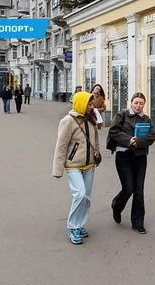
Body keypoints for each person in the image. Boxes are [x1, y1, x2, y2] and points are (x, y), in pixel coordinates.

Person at [52, 92, 101, 245]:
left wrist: (97, 155)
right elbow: (61, 146)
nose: (92, 106)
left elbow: (95, 139)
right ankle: (72, 226)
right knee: (79, 194)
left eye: (92, 104)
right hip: (73, 165)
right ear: (81, 104)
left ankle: (80, 225)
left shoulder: (91, 118)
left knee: (86, 198)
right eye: (89, 104)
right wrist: (57, 169)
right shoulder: (68, 121)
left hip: (89, 164)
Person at [108, 92, 155, 234]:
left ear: (144, 105)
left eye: (141, 103)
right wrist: (129, 140)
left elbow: (152, 136)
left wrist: (138, 141)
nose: (138, 105)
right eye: (136, 102)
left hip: (140, 157)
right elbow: (113, 131)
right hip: (124, 156)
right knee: (128, 188)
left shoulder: (146, 119)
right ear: (131, 102)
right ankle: (116, 205)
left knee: (139, 190)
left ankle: (138, 222)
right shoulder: (121, 115)